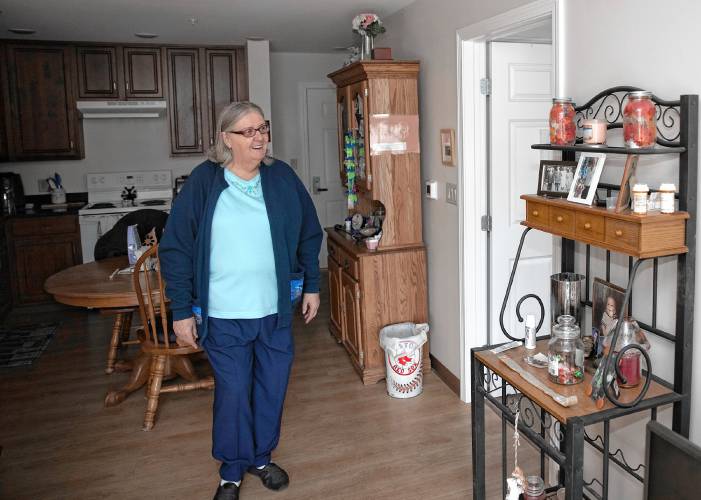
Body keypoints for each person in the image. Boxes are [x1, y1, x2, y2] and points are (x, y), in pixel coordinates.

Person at [159, 101, 323, 500]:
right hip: (224, 314)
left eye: (262, 128)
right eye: (247, 131)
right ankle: (231, 470)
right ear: (225, 139)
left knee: (271, 386)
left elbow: (309, 232)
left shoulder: (281, 176)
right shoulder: (204, 181)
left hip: (273, 310)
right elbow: (176, 247)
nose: (259, 138)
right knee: (233, 392)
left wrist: (313, 285)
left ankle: (261, 458)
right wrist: (181, 311)